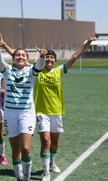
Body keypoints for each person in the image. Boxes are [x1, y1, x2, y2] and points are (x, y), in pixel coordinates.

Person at [34, 33, 96, 181]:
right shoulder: (36, 72)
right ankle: (46, 173)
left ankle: (52, 161)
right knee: (46, 140)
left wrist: (87, 43)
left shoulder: (59, 71)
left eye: (51, 57)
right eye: (47, 57)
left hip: (56, 111)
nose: (49, 59)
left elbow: (74, 57)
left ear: (55, 61)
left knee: (54, 142)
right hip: (41, 111)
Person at [0, 33, 46, 181]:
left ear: (27, 59)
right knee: (15, 149)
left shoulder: (31, 72)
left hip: (26, 113)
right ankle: (19, 178)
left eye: (23, 55)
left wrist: (42, 56)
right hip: (9, 114)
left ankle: (26, 178)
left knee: (26, 149)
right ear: (13, 58)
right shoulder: (7, 70)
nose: (20, 57)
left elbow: (40, 65)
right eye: (18, 55)